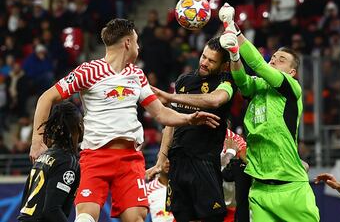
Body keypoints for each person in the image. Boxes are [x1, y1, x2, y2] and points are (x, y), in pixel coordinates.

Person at [29, 18, 220, 222]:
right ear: (128, 42)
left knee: (136, 218)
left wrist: (189, 119)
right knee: (85, 218)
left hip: (130, 160)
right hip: (95, 157)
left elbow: (161, 113)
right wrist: (37, 141)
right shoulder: (88, 71)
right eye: (136, 42)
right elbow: (46, 98)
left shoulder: (137, 75)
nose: (138, 47)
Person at [218, 3, 319, 222]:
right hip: (260, 190)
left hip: (291, 187)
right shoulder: (258, 86)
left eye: (281, 60)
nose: (273, 60)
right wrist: (235, 55)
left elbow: (258, 64)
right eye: (273, 57)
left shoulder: (291, 88)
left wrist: (233, 29)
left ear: (292, 72)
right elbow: (242, 81)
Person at [147, 36, 237, 222]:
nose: (204, 63)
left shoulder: (226, 82)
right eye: (203, 56)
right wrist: (160, 160)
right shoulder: (183, 81)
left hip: (204, 162)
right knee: (183, 217)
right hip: (178, 163)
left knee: (213, 218)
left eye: (211, 60)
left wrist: (170, 97)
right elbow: (170, 124)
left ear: (223, 65)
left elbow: (213, 100)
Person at [18, 102, 83, 221]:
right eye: (81, 121)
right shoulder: (67, 162)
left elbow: (24, 200)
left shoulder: (43, 157)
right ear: (77, 126)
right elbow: (51, 210)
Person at [146, 144, 175, 222]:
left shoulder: (184, 188)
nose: (168, 161)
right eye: (164, 158)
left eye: (171, 158)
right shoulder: (147, 191)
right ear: (157, 162)